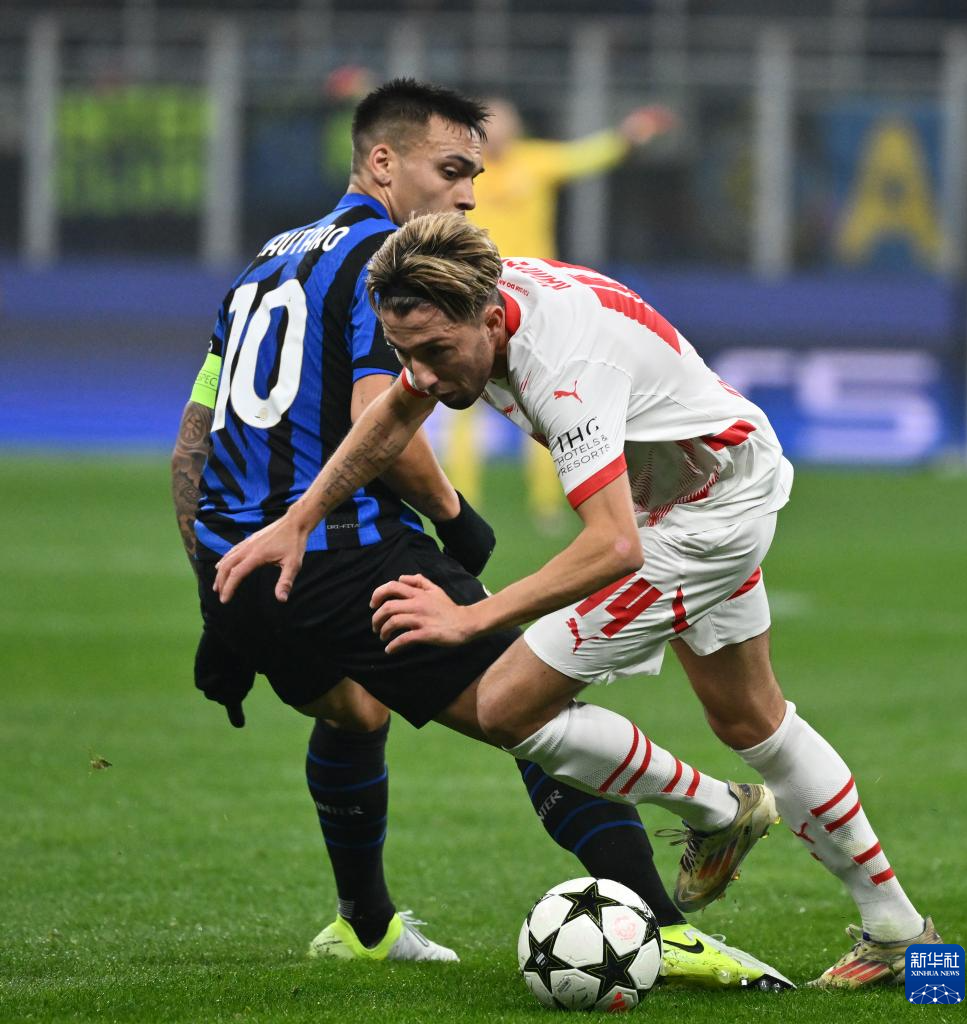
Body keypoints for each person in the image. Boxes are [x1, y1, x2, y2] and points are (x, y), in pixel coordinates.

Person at [213, 211, 943, 990]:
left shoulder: (564, 366)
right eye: (403, 352)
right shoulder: (468, 311)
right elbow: (392, 412)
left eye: (434, 353)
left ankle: (719, 812)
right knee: (750, 719)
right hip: (711, 479)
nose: (421, 373)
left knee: (504, 705)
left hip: (700, 513)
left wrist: (471, 616)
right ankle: (903, 937)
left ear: (489, 319)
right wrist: (300, 521)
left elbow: (612, 547)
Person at [171, 78, 789, 987]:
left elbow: (195, 436)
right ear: (384, 162)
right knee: (525, 705)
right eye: (452, 171)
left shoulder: (263, 262)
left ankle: (366, 927)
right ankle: (663, 925)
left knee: (352, 708)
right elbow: (378, 413)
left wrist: (215, 592)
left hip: (244, 558)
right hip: (343, 549)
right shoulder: (387, 261)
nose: (466, 195)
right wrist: (456, 520)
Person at [447, 97, 676, 530]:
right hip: (474, 294)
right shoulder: (462, 171)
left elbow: (584, 156)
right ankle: (462, 502)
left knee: (543, 399)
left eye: (504, 123)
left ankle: (548, 503)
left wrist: (628, 135)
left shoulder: (535, 161)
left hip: (532, 302)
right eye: (489, 126)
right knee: (464, 403)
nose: (498, 133)